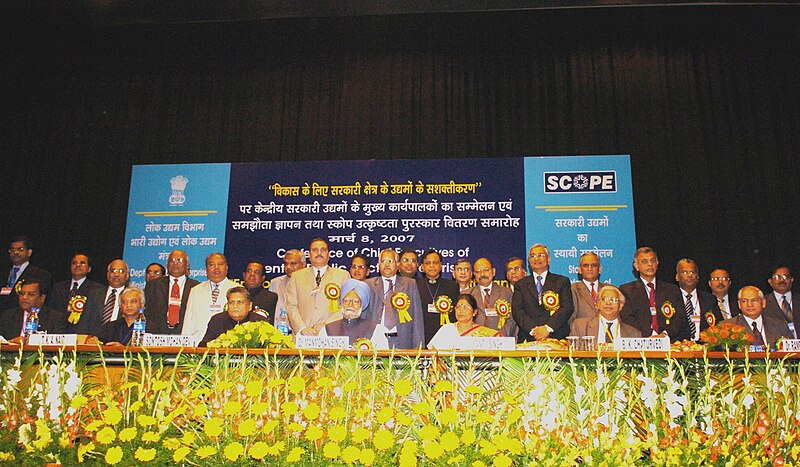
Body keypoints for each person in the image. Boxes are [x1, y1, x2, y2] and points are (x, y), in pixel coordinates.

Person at [619, 247, 690, 342]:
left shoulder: (672, 290)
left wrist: (664, 335)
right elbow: (628, 318)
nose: (649, 264)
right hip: (641, 341)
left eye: (652, 261)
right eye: (644, 261)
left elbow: (680, 318)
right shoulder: (627, 290)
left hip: (669, 342)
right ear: (636, 266)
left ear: (657, 263)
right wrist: (650, 336)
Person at [285, 239, 350, 336]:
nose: (319, 253)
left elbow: (346, 306)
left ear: (329, 255)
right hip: (302, 336)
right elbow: (291, 306)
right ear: (309, 255)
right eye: (315, 250)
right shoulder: (296, 276)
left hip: (331, 334)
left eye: (323, 250)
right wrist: (302, 328)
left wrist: (326, 325)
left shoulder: (342, 276)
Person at [512, 244, 574, 342]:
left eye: (540, 255)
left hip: (556, 337)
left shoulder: (562, 282)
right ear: (529, 261)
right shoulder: (520, 285)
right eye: (532, 256)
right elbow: (517, 312)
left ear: (548, 259)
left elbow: (567, 308)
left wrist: (547, 328)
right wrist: (534, 331)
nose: (536, 258)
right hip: (529, 338)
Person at [365, 249, 424, 349]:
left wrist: (418, 346)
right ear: (378, 265)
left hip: (403, 340)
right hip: (375, 340)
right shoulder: (368, 284)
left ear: (397, 264)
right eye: (383, 261)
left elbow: (417, 318)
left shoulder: (410, 284)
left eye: (390, 261)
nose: (387, 264)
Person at [182, 253, 238, 343]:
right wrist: (184, 346)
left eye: (220, 264)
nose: (216, 268)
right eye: (211, 264)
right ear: (206, 269)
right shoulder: (195, 290)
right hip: (198, 343)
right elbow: (188, 321)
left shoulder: (237, 290)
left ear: (227, 268)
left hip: (226, 345)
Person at [320, 279, 389, 349]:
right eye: (346, 300)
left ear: (361, 305)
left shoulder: (376, 330)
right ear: (342, 303)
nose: (350, 304)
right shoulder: (327, 329)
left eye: (355, 301)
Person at [46, 253, 104, 336]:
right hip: (58, 333)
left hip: (82, 334)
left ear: (89, 269)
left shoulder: (97, 290)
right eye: (74, 263)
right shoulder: (58, 287)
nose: (78, 265)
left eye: (82, 263)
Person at [144, 250, 200, 335]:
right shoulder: (153, 285)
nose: (175, 263)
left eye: (180, 260)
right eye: (172, 260)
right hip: (157, 335)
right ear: (167, 264)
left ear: (187, 265)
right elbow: (147, 312)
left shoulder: (196, 287)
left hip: (185, 334)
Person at [721, 285, 792, 349]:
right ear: (739, 304)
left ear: (763, 303)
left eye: (754, 300)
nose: (749, 304)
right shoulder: (727, 326)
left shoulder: (779, 325)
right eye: (744, 301)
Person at [416, 249, 460, 345]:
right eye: (428, 263)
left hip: (445, 337)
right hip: (422, 335)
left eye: (435, 263)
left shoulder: (452, 286)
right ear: (422, 267)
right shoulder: (415, 285)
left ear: (441, 266)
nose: (432, 266)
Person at [198, 287, 268, 347]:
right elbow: (203, 346)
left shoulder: (259, 322)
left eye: (240, 302)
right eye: (231, 302)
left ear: (249, 306)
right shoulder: (217, 320)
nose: (235, 306)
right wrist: (216, 342)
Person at [428, 294, 502, 350]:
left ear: (474, 312)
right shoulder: (447, 329)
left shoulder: (482, 333)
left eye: (466, 307)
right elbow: (434, 353)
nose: (461, 310)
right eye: (458, 307)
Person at [569, 285, 641, 342]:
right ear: (597, 304)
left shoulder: (634, 334)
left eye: (613, 300)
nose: (608, 303)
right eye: (604, 299)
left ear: (621, 305)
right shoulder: (581, 327)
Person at [675, 259, 724, 341]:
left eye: (692, 272)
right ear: (677, 277)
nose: (689, 275)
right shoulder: (670, 298)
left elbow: (719, 326)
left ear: (697, 276)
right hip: (678, 348)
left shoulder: (709, 299)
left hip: (704, 348)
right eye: (684, 272)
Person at [0, 279, 64, 341]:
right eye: (22, 293)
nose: (24, 297)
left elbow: (57, 345)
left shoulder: (56, 318)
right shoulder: (8, 316)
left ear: (42, 298)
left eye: (31, 294)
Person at [1, 236, 52, 312]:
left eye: (20, 249)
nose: (16, 252)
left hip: (25, 316)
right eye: (13, 249)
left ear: (29, 252)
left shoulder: (41, 274)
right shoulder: (3, 272)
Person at [469, 257, 517, 338]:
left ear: (493, 272)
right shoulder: (468, 294)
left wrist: (499, 336)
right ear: (474, 275)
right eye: (478, 271)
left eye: (486, 270)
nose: (482, 274)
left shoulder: (507, 293)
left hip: (501, 340)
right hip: (474, 341)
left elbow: (512, 319)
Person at [569, 252, 607, 325]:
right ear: (579, 270)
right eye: (586, 265)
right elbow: (570, 319)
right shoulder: (572, 289)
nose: (590, 268)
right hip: (582, 334)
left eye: (594, 265)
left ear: (600, 269)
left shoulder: (609, 289)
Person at [92, 260, 130, 328]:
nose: (116, 275)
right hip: (94, 337)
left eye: (121, 271)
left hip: (119, 337)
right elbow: (85, 321)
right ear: (108, 275)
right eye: (113, 271)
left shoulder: (131, 295)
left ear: (127, 276)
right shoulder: (94, 294)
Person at [268, 249, 306, 318]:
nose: (288, 267)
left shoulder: (311, 283)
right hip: (279, 326)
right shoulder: (275, 283)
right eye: (286, 264)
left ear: (303, 264)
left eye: (293, 263)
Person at [763, 266, 797, 338]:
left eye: (785, 277)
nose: (782, 280)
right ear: (770, 282)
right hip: (776, 346)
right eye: (777, 277)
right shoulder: (763, 303)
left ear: (792, 279)